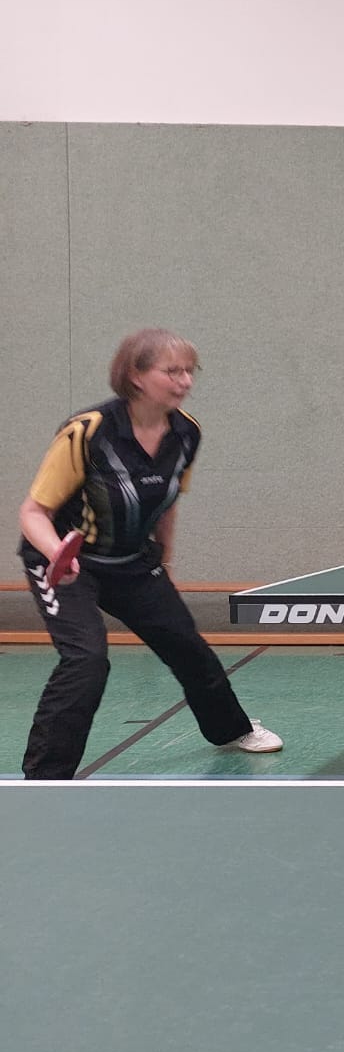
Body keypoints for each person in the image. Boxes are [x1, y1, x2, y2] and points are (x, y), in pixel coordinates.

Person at [17, 328, 281, 778]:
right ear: (136, 376)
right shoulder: (88, 432)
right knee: (86, 660)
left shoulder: (186, 432)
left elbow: (167, 503)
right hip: (65, 563)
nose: (185, 381)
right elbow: (33, 512)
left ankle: (229, 729)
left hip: (132, 561)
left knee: (186, 645)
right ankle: (45, 778)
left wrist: (164, 563)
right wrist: (58, 553)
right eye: (172, 371)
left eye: (189, 371)